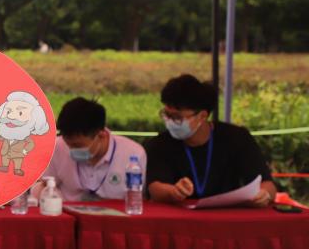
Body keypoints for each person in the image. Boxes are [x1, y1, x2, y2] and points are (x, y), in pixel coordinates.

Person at [146, 74, 276, 206]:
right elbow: (155, 189)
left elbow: (267, 184)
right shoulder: (160, 143)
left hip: (228, 213)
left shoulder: (237, 138)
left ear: (202, 116)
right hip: (180, 214)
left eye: (177, 117)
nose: (169, 121)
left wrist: (264, 194)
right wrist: (173, 192)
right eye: (166, 115)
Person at [32, 97, 146, 201]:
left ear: (101, 135)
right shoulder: (58, 146)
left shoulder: (133, 153)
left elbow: (137, 198)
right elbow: (43, 184)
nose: (71, 150)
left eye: (77, 145)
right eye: (68, 144)